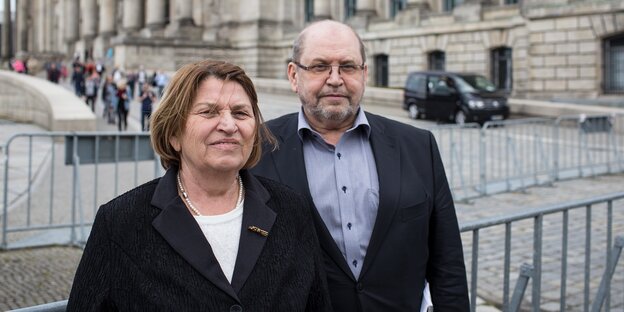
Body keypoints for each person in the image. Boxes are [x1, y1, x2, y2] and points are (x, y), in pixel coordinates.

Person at [66, 60, 331, 311]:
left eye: (240, 113)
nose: (229, 125)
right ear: (173, 134)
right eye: (208, 112)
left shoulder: (291, 210)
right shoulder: (119, 222)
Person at [250, 20, 469, 311]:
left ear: (364, 74)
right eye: (319, 66)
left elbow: (447, 262)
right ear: (294, 75)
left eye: (348, 66)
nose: (335, 79)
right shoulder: (255, 149)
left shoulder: (418, 146)